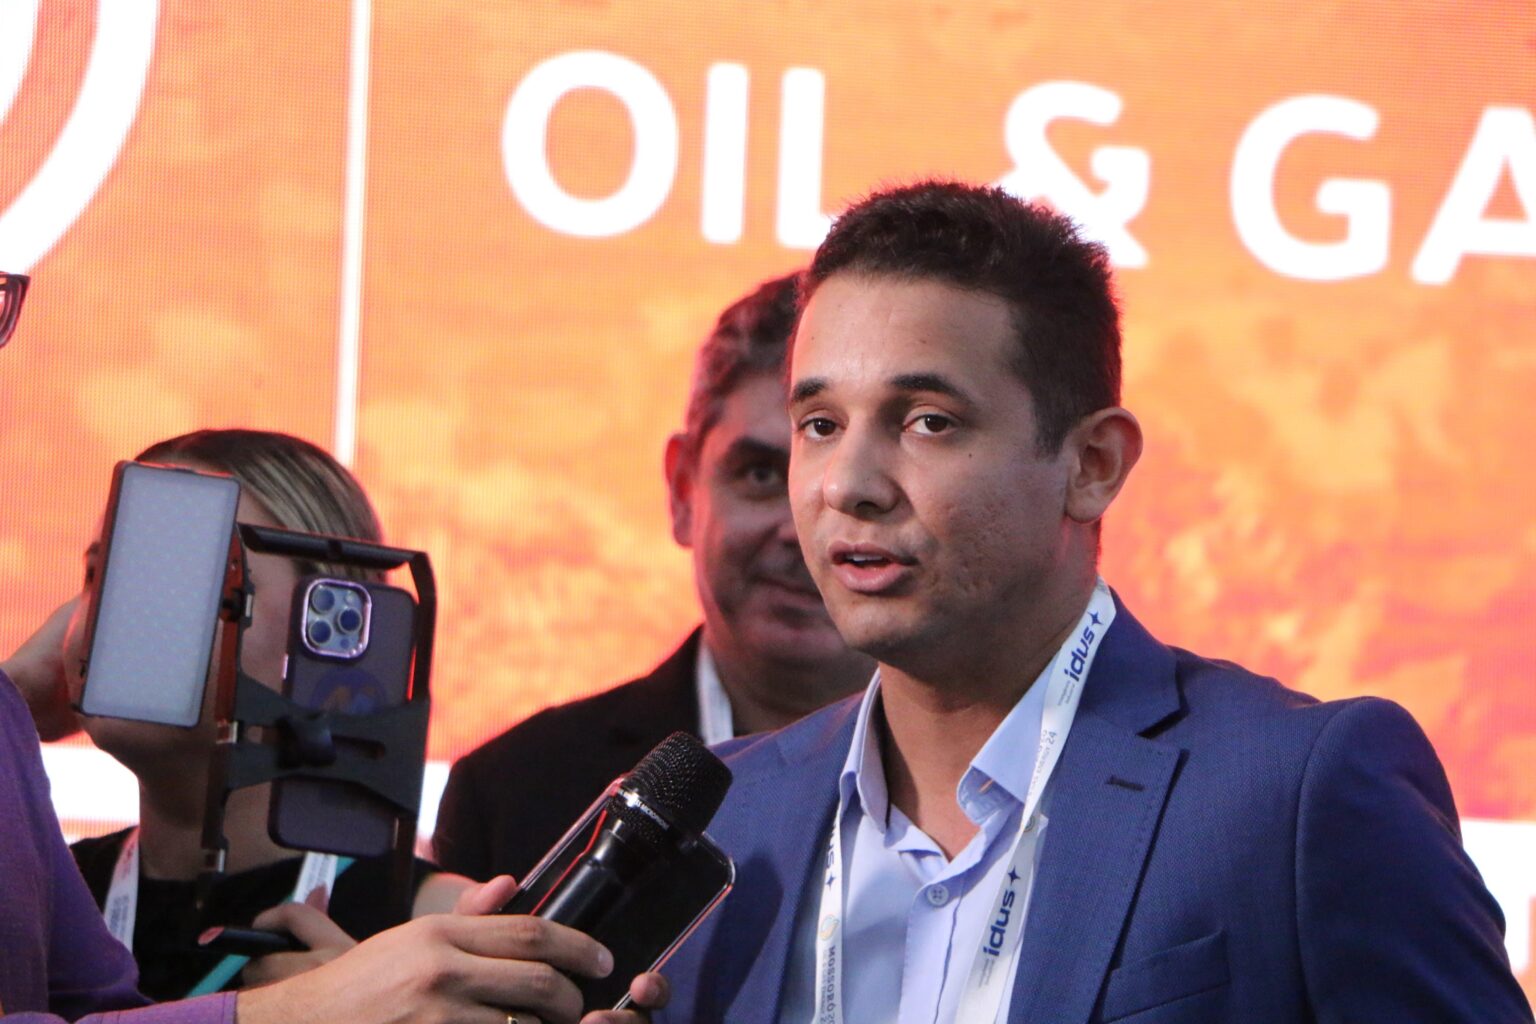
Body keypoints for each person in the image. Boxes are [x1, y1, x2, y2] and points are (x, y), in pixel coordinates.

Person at [651, 182, 1534, 1022]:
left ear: (1094, 465)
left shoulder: (1297, 792)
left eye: (927, 421)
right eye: (820, 425)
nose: (848, 485)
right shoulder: (727, 820)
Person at [0, 294, 667, 1019]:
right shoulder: (40, 901)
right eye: (105, 569)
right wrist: (11, 701)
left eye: (187, 571)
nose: (129, 608)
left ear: (337, 633)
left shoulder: (441, 932)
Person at [434, 272, 873, 883]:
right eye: (761, 475)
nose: (799, 529)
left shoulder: (996, 777)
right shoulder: (511, 792)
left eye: (837, 483)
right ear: (683, 490)